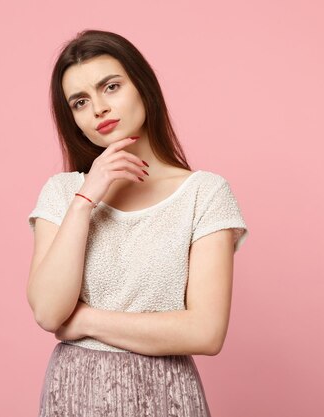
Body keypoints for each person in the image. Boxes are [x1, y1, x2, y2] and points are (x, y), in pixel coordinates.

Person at [26, 29, 249, 417]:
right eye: (80, 102)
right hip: (73, 397)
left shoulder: (204, 194)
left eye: (110, 87)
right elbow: (48, 312)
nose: (98, 108)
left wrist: (85, 320)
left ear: (142, 87)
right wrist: (85, 200)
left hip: (167, 397)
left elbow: (206, 332)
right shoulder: (62, 194)